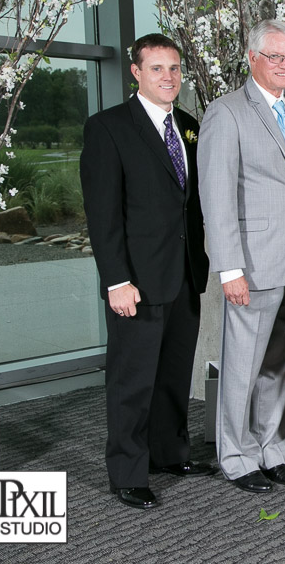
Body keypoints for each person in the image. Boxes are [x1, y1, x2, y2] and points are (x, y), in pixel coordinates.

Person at [80, 33, 215, 510]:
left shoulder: (191, 126)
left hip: (183, 275)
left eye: (174, 68)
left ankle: (169, 454)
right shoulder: (108, 128)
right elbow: (103, 214)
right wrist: (116, 280)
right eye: (157, 68)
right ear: (135, 72)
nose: (169, 77)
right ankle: (128, 473)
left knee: (174, 374)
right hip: (135, 280)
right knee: (132, 379)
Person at [198, 20, 285, 493]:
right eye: (275, 57)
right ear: (252, 58)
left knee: (279, 366)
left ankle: (272, 449)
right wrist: (229, 268)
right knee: (241, 365)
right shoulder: (226, 113)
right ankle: (237, 455)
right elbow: (216, 195)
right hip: (250, 262)